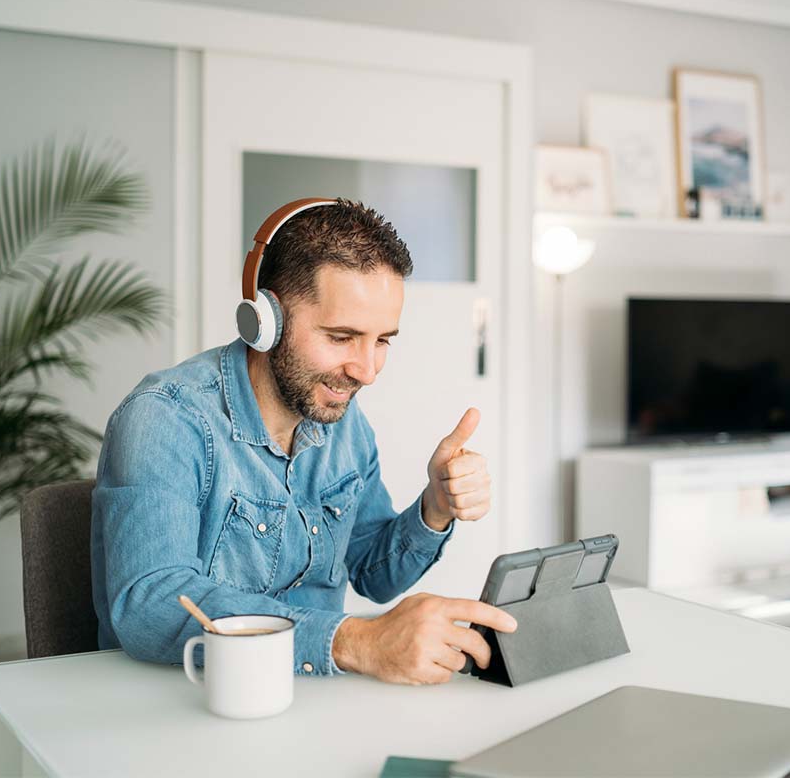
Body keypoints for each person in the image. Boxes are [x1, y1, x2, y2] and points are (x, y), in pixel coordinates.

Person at [90, 197, 517, 685]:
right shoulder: (165, 419)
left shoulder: (344, 424)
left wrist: (435, 508)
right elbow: (149, 604)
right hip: (180, 701)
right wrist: (353, 642)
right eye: (341, 337)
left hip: (309, 698)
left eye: (382, 341)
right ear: (264, 321)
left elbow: (373, 576)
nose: (367, 371)